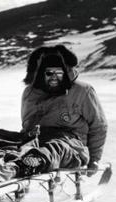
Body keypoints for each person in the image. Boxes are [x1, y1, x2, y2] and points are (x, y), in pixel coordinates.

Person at [14, 44, 108, 176]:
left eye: (59, 73)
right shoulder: (30, 93)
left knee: (56, 147)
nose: (54, 77)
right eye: (49, 73)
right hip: (38, 139)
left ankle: (36, 161)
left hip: (71, 145)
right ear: (42, 73)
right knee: (3, 138)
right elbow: (27, 123)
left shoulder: (82, 91)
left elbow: (98, 126)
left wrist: (94, 159)